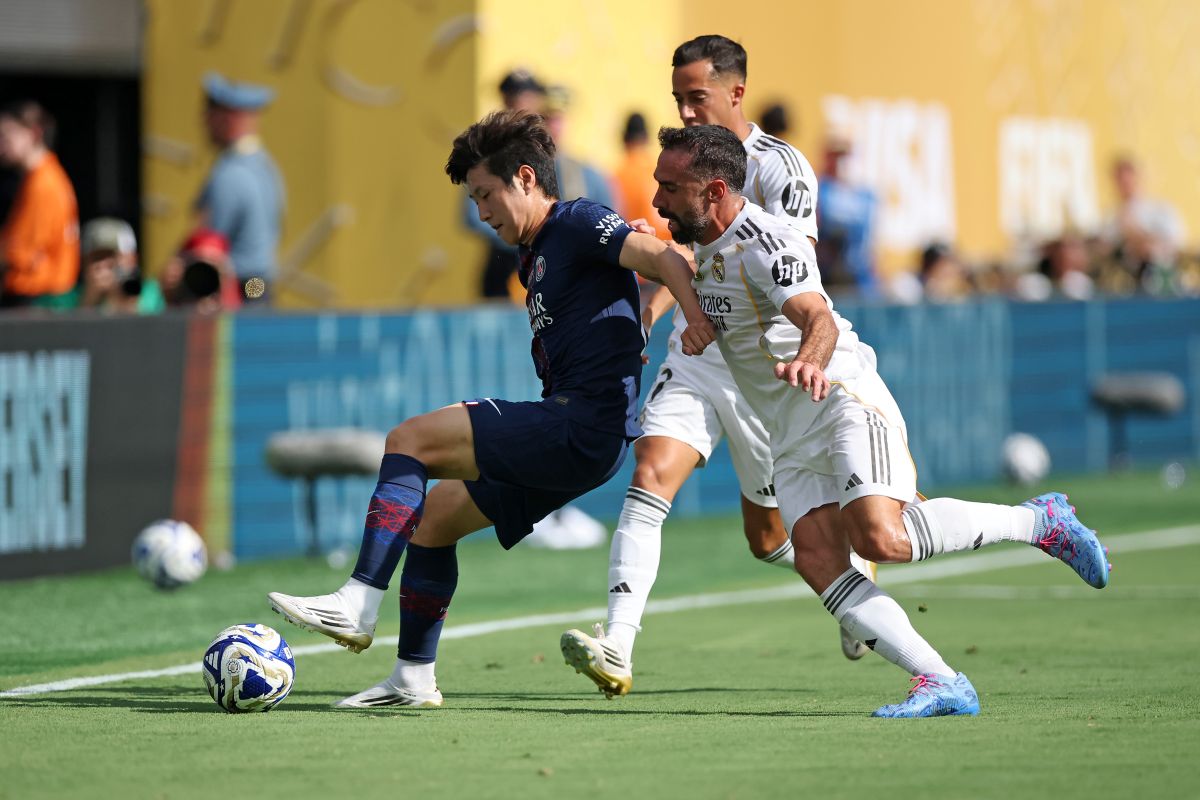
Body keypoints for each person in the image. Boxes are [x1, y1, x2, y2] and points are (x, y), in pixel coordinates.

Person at [639, 124, 1110, 717]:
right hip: (785, 432)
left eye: (669, 187)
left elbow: (818, 317)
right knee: (813, 557)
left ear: (712, 190)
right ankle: (941, 681)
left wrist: (809, 362)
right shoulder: (698, 244)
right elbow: (670, 264)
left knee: (881, 537)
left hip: (839, 399)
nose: (657, 200)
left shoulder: (766, 241)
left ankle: (1038, 520)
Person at [265, 109, 715, 708]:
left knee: (409, 440)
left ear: (526, 177)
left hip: (581, 427)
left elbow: (667, 258)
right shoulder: (535, 253)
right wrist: (645, 320)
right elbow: (653, 269)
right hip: (584, 438)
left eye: (485, 194)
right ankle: (412, 678)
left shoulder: (578, 220)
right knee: (432, 523)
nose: (481, 212)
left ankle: (358, 601)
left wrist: (694, 317)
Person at [560, 34, 870, 702]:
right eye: (677, 98)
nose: (687, 110)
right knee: (649, 474)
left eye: (696, 97)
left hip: (762, 365)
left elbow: (793, 269)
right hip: (701, 354)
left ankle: (853, 584)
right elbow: (685, 250)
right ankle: (617, 644)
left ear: (735, 92)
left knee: (767, 538)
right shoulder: (682, 161)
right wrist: (658, 310)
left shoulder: (782, 168)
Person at [196, 72, 285, 305]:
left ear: (229, 118)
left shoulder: (230, 173)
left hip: (241, 288)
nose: (204, 123)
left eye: (210, 115)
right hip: (260, 286)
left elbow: (211, 241)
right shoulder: (266, 167)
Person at [0, 101, 78, 308]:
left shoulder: (43, 183)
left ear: (34, 133)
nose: (2, 144)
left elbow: (19, 251)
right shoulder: (36, 179)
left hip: (40, 301)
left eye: (8, 135)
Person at [1100, 155, 1185, 295]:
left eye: (1127, 178)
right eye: (1119, 180)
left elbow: (1175, 244)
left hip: (1161, 280)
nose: (1124, 184)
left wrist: (1135, 233)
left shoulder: (1161, 210)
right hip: (1127, 285)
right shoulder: (1111, 217)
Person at [815, 134, 879, 297]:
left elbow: (870, 241)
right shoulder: (817, 189)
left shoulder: (866, 195)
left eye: (846, 155)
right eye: (836, 155)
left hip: (860, 278)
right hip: (827, 277)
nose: (841, 161)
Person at [71, 218, 165, 314]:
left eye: (111, 257)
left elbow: (148, 322)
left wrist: (117, 296)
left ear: (130, 260)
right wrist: (89, 300)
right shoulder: (71, 295)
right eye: (97, 258)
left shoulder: (149, 291)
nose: (103, 266)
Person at [613, 112, 670, 240]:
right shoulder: (660, 168)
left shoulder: (617, 174)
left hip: (634, 244)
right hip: (666, 244)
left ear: (624, 139)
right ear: (647, 138)